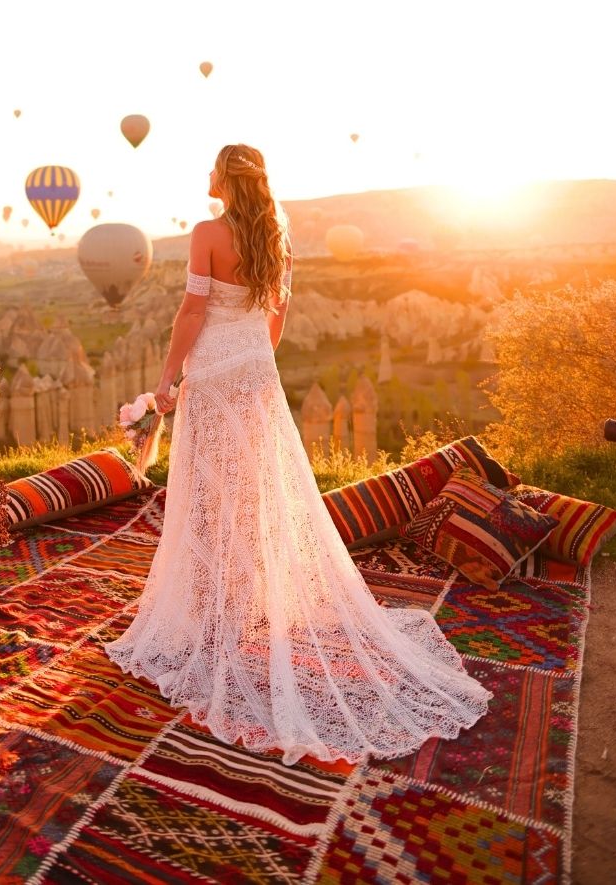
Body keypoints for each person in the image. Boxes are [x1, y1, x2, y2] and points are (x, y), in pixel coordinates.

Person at [103, 143, 491, 764]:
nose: (204, 175)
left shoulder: (207, 231)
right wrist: (257, 359)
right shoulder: (278, 236)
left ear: (225, 180)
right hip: (256, 370)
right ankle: (243, 599)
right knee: (255, 484)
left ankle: (212, 609)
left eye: (210, 169)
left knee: (209, 487)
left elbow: (193, 309)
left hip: (213, 370)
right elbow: (276, 318)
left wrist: (168, 378)